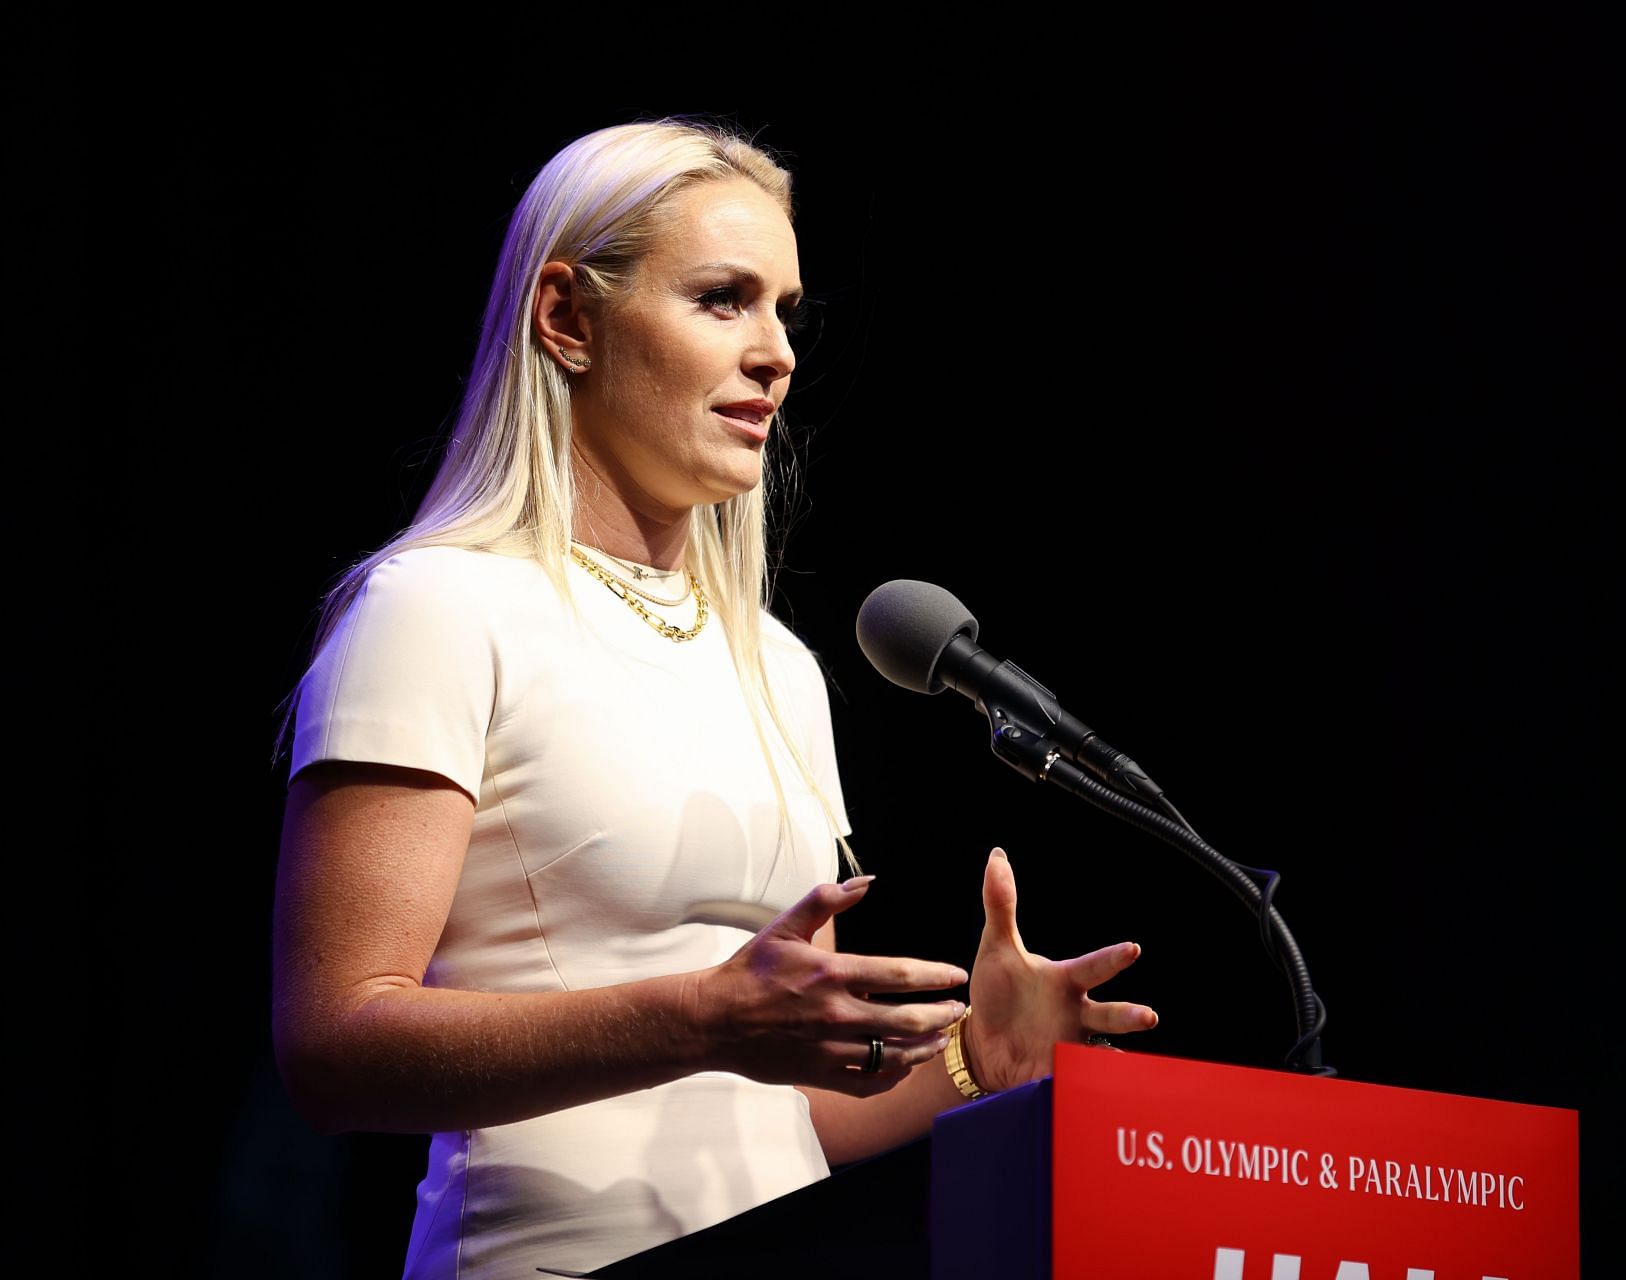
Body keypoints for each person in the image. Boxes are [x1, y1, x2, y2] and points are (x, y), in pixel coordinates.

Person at [270, 116, 1158, 1279]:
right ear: (566, 319)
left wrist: (974, 1061)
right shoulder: (435, 609)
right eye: (723, 298)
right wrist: (704, 1015)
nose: (778, 351)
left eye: (786, 309)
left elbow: (800, 1108)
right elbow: (334, 1044)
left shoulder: (779, 667)